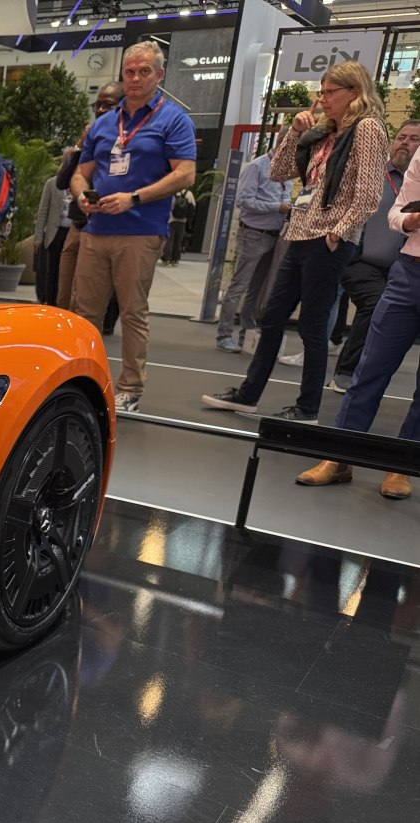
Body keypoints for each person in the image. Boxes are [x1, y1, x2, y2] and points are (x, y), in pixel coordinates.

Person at [202, 60, 389, 423]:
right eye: (321, 92)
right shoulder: (324, 132)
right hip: (300, 233)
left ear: (354, 92)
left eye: (330, 92)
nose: (323, 99)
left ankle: (307, 409)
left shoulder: (367, 129)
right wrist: (294, 131)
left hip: (327, 239)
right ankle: (248, 395)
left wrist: (337, 233)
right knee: (271, 318)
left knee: (312, 326)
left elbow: (368, 195)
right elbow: (279, 171)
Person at [294, 121, 420, 500]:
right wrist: (411, 220)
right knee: (369, 369)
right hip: (410, 273)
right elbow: (395, 214)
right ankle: (338, 457)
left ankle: (401, 465)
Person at [69, 40, 197, 413]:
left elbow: (186, 174)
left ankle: (130, 388)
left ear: (159, 75)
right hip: (95, 231)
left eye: (144, 71)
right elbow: (81, 173)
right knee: (84, 312)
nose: (136, 78)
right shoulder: (105, 123)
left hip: (141, 231)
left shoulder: (173, 120)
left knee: (132, 312)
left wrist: (134, 198)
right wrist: (82, 196)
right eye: (129, 71)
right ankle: (83, 379)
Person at [327, 119, 420, 393]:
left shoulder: (414, 184)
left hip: (401, 268)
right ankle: (345, 371)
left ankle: (366, 375)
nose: (405, 142)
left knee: (381, 310)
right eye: (401, 136)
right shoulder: (374, 175)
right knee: (375, 301)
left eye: (414, 139)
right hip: (360, 260)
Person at [214, 152, 291, 352]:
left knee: (257, 290)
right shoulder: (257, 167)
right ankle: (224, 334)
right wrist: (278, 207)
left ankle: (247, 333)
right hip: (253, 234)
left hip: (274, 235)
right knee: (239, 286)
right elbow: (244, 200)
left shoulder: (287, 171)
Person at [56, 83, 123, 314]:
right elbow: (62, 181)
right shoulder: (91, 139)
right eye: (98, 105)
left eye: (108, 105)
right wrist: (80, 147)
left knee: (82, 298)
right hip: (77, 225)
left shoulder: (123, 142)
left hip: (101, 228)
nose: (101, 110)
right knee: (63, 292)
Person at [33, 166, 71, 305]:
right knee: (51, 271)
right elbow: (42, 211)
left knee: (67, 272)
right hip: (55, 232)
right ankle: (49, 301)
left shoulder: (83, 184)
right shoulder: (52, 183)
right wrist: (38, 237)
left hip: (72, 232)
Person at [163, 187, 195, 265]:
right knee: (178, 241)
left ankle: (167, 259)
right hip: (182, 221)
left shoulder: (172, 192)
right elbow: (193, 207)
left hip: (171, 220)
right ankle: (175, 260)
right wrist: (189, 220)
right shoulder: (189, 194)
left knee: (169, 240)